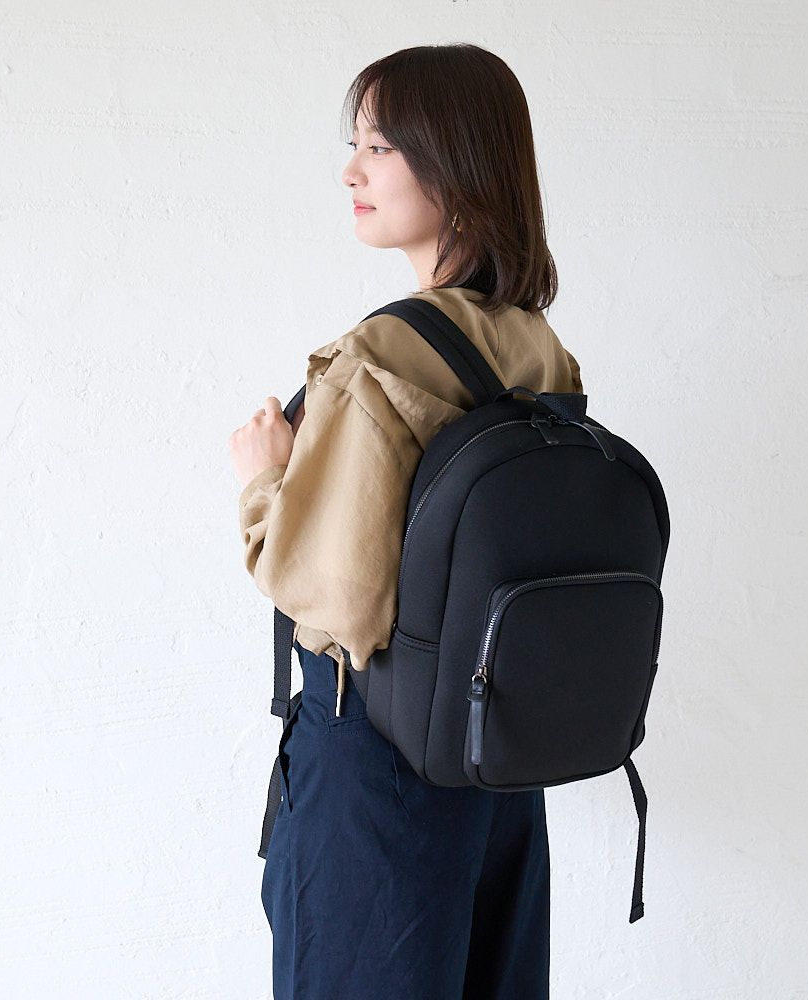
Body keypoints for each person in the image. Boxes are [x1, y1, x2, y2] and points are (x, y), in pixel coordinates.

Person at [228, 43, 583, 999]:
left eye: (378, 147)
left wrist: (264, 482)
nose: (351, 171)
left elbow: (334, 596)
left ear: (454, 162)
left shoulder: (385, 353)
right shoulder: (540, 348)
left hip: (376, 766)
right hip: (497, 762)